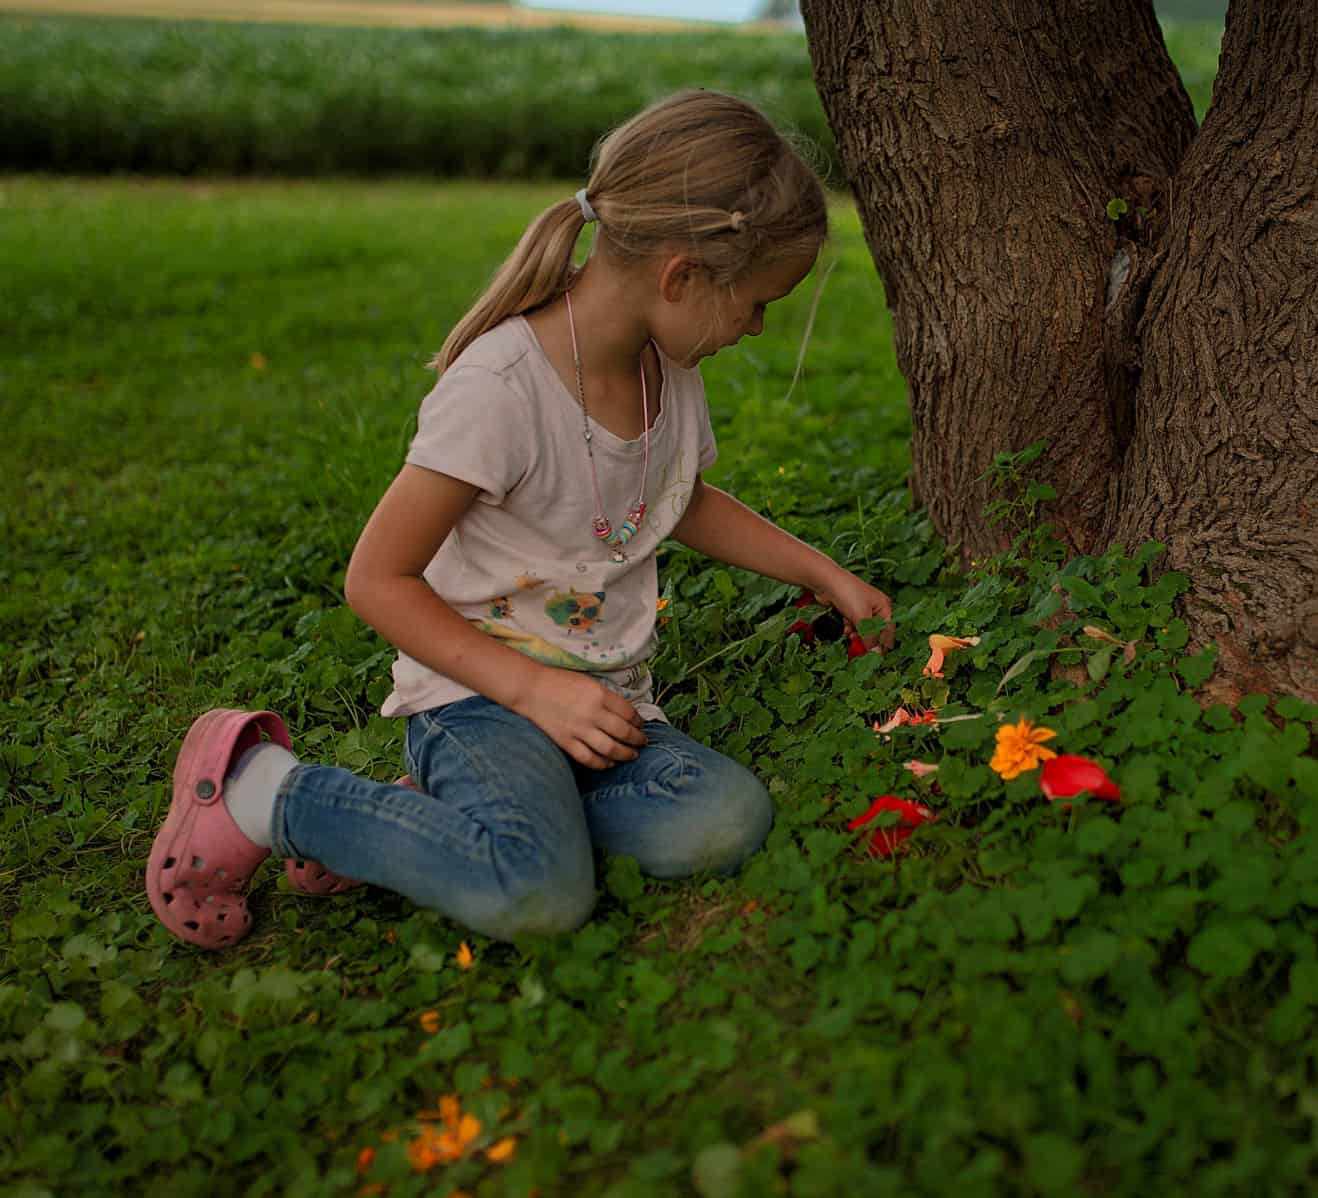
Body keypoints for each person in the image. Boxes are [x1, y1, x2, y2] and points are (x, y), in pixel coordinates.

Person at [146, 90, 892, 949]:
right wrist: (534, 689)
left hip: (604, 707)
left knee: (723, 819)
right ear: (680, 275)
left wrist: (822, 573)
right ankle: (261, 791)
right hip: (480, 698)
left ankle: (436, 827)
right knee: (536, 896)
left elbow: (676, 499)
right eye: (758, 302)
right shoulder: (499, 392)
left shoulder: (667, 371)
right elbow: (375, 580)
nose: (758, 328)